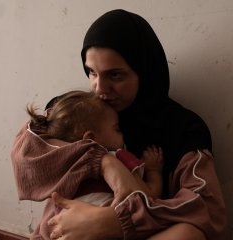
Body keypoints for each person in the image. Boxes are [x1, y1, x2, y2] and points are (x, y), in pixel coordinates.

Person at [46, 9, 227, 240]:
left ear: (145, 72)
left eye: (115, 75)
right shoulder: (75, 112)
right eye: (91, 72)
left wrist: (115, 222)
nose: (99, 89)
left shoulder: (183, 128)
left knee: (189, 234)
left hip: (141, 233)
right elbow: (26, 159)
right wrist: (103, 162)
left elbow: (208, 209)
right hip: (67, 231)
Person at [11, 90, 163, 240]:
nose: (122, 134)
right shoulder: (118, 158)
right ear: (91, 138)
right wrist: (153, 170)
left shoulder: (64, 170)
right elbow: (148, 196)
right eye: (117, 129)